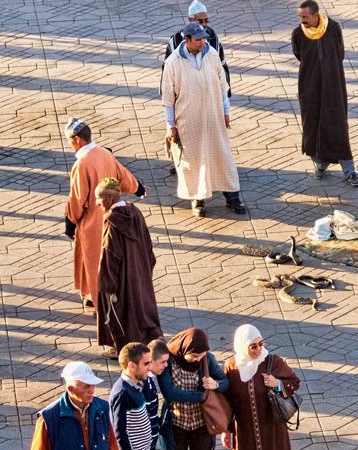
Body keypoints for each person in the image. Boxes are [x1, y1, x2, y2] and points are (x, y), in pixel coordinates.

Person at [161, 22, 245, 217]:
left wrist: (225, 112)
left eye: (204, 38)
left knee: (222, 157)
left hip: (214, 117)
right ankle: (197, 200)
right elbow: (167, 99)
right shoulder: (173, 62)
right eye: (198, 39)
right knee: (193, 161)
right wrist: (170, 126)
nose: (202, 42)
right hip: (188, 121)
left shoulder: (212, 55)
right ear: (187, 39)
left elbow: (223, 87)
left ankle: (232, 198)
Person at [63, 118, 146, 310]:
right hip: (110, 217)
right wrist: (138, 188)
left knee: (93, 262)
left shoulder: (82, 164)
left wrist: (70, 222)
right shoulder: (104, 153)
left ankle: (98, 298)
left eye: (69, 141)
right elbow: (123, 175)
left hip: (91, 221)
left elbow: (77, 198)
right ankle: (96, 295)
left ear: (77, 140)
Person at [291, 0, 358, 187]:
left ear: (315, 14)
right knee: (312, 125)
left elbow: (340, 52)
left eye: (305, 16)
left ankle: (349, 169)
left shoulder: (333, 28)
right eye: (300, 16)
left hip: (333, 84)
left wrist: (328, 71)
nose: (302, 20)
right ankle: (320, 163)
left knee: (337, 124)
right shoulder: (298, 33)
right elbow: (299, 54)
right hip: (309, 85)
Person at [161, 0, 232, 176]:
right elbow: (167, 72)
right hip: (184, 97)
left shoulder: (213, 37)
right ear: (190, 20)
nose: (205, 25)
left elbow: (221, 66)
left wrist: (225, 99)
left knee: (210, 133)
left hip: (209, 96)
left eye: (207, 20)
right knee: (180, 134)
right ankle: (179, 163)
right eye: (201, 21)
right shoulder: (176, 39)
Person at [95, 178, 163, 359]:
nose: (97, 203)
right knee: (142, 307)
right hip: (140, 271)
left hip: (123, 278)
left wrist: (107, 285)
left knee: (123, 312)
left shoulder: (112, 222)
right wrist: (146, 267)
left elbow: (110, 256)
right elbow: (148, 243)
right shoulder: (135, 212)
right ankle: (151, 339)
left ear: (110, 197)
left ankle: (123, 348)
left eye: (99, 199)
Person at [221, 325, 301, 450]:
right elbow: (227, 401)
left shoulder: (273, 362)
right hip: (245, 432)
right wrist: (226, 430)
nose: (258, 349)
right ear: (242, 346)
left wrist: (277, 383)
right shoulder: (231, 366)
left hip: (273, 429)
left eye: (261, 343)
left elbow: (294, 382)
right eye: (253, 346)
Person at [156, 327, 229, 450]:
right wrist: (201, 396)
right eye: (194, 356)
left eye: (201, 355)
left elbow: (226, 381)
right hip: (176, 423)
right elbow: (169, 392)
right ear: (184, 349)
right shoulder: (168, 360)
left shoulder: (207, 358)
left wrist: (215, 384)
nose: (198, 359)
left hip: (202, 424)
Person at [31, 361, 119, 450]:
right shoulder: (47, 418)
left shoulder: (103, 407)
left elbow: (112, 444)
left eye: (93, 385)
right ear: (70, 389)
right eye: (87, 386)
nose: (92, 390)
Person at [110, 343, 156, 450]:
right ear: (131, 365)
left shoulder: (138, 384)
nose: (150, 368)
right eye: (146, 364)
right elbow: (120, 434)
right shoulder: (123, 393)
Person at [146, 339, 171, 449]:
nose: (166, 365)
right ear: (151, 361)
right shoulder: (145, 384)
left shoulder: (150, 379)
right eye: (163, 362)